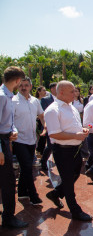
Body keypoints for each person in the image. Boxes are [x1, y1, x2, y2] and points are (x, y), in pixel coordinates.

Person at [44, 81, 92, 221]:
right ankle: (75, 210)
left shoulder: (71, 107)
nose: (75, 93)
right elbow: (54, 134)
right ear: (61, 93)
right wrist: (75, 136)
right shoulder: (53, 110)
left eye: (75, 91)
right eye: (71, 91)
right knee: (68, 180)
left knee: (75, 174)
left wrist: (81, 131)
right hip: (63, 151)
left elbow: (73, 126)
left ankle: (56, 193)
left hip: (75, 149)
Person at [0, 66, 28, 228]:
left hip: (5, 138)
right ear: (18, 80)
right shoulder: (2, 97)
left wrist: (14, 131)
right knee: (8, 182)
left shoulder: (8, 96)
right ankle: (9, 218)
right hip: (1, 143)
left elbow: (7, 121)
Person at [12, 77, 45, 205]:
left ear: (31, 86)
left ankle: (22, 193)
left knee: (25, 167)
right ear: (17, 87)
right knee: (26, 167)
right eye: (21, 85)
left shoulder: (35, 101)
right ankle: (33, 195)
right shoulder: (13, 101)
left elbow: (41, 115)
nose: (23, 87)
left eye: (26, 85)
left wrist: (45, 127)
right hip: (19, 140)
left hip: (32, 140)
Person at [39, 82, 57, 171]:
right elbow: (44, 114)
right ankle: (43, 162)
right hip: (49, 126)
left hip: (58, 126)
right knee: (50, 145)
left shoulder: (61, 99)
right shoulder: (45, 100)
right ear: (52, 89)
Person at [35, 86, 47, 155]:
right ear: (39, 92)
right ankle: (38, 150)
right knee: (40, 136)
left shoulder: (46, 100)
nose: (45, 92)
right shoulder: (36, 101)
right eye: (43, 90)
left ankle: (41, 150)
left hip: (44, 120)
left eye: (45, 90)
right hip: (38, 121)